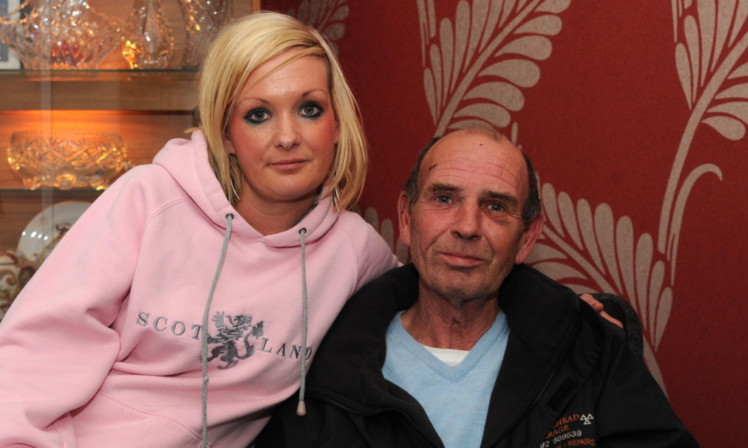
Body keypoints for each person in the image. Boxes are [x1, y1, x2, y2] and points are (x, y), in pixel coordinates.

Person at [0, 12, 398, 448]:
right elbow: (39, 351)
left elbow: (427, 316)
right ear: (224, 135)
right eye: (258, 114)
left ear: (336, 124)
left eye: (309, 109)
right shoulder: (149, 199)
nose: (287, 136)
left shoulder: (356, 252)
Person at [255, 128, 699, 447]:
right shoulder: (324, 365)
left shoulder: (588, 349)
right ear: (407, 218)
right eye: (444, 198)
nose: (468, 227)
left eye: (496, 206)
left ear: (527, 236)